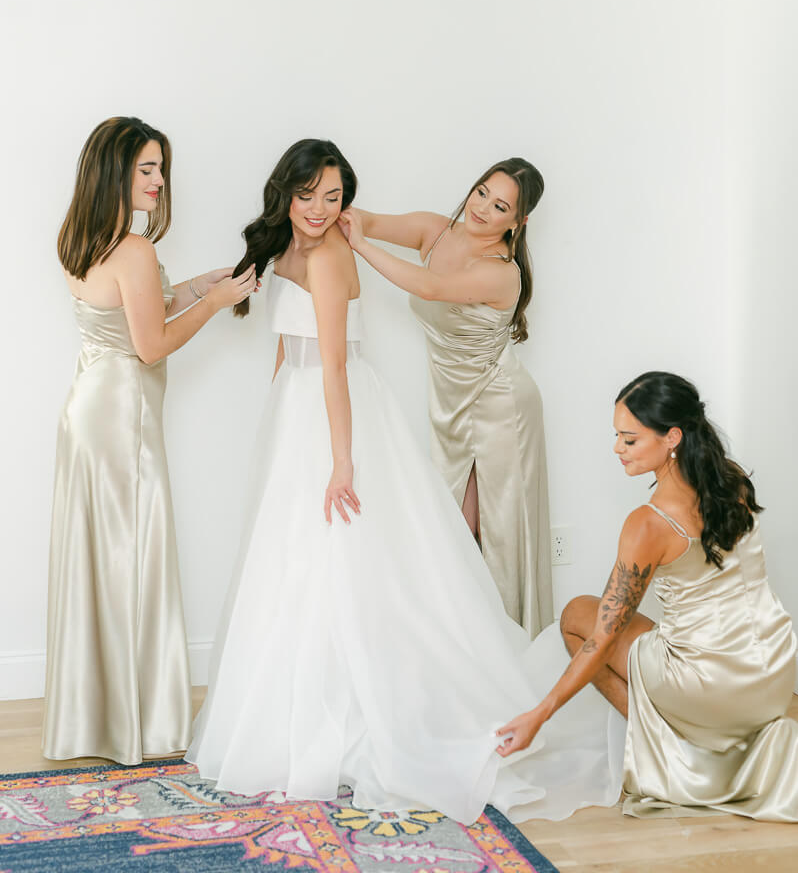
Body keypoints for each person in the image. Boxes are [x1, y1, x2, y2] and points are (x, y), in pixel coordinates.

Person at [187, 139, 619, 825]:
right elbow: (293, 343)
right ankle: (302, 702)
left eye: (333, 198)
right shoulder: (305, 245)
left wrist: (342, 460)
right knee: (300, 561)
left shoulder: (342, 257)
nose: (320, 210)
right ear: (287, 192)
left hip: (408, 409)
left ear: (517, 222)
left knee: (391, 559)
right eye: (309, 196)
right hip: (315, 409)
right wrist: (276, 415)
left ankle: (444, 695)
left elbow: (336, 361)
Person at [44, 116, 256, 765]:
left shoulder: (85, 240)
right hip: (122, 416)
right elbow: (153, 342)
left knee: (99, 559)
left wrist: (203, 284)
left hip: (88, 405)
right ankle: (140, 721)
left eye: (161, 168)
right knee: (133, 556)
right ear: (116, 172)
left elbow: (143, 307)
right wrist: (216, 304)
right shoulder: (134, 250)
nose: (160, 181)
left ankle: (94, 718)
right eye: (147, 169)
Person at [497, 371, 798, 822]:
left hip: (712, 686)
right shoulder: (731, 482)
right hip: (774, 673)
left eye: (630, 440)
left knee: (577, 615)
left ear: (672, 437)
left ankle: (677, 753)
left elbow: (602, 637)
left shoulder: (649, 522)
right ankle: (695, 735)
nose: (617, 449)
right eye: (617, 437)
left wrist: (539, 715)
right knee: (629, 624)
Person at [337, 159, 552, 637]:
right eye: (481, 193)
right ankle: (460, 651)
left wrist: (362, 247)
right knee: (450, 531)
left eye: (500, 207)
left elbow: (430, 286)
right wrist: (332, 210)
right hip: (453, 406)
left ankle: (499, 651)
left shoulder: (502, 272)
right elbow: (366, 219)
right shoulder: (434, 231)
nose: (482, 209)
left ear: (517, 223)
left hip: (500, 408)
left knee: (479, 536)